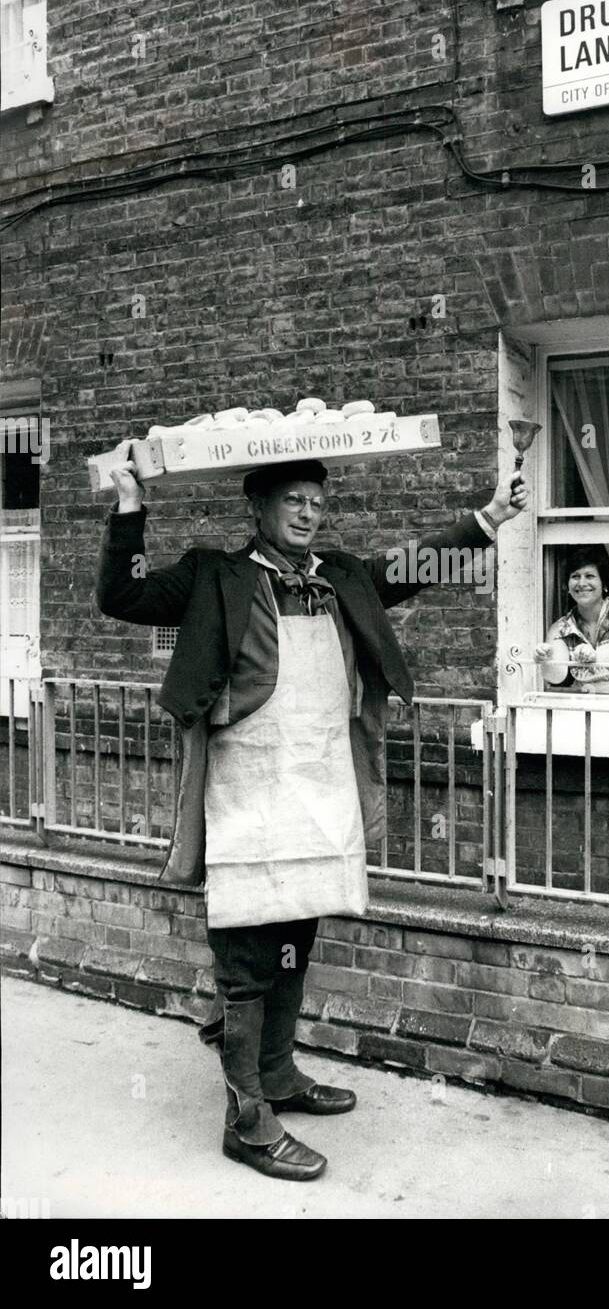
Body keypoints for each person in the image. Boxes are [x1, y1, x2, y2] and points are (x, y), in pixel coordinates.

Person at [96, 454, 526, 1181]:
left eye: (316, 502)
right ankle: (247, 1119)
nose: (307, 512)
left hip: (318, 786)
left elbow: (415, 566)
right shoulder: (213, 575)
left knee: (297, 930)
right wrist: (130, 504)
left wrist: (488, 519)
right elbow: (121, 595)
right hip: (246, 790)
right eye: (292, 500)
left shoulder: (342, 575)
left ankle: (280, 1075)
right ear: (257, 507)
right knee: (245, 960)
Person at [535, 546, 609, 693]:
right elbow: (556, 676)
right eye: (575, 576)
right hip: (587, 707)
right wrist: (547, 659)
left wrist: (593, 655)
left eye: (589, 576)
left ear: (604, 584)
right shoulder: (560, 628)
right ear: (567, 587)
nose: (582, 583)